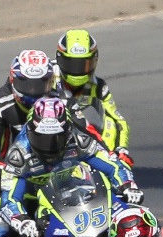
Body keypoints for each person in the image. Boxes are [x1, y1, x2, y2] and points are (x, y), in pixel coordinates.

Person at [0, 96, 143, 237]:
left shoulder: (77, 139)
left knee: (130, 209)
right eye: (42, 138)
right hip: (32, 200)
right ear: (32, 131)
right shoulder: (19, 154)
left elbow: (113, 165)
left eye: (56, 138)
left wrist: (127, 184)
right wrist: (21, 220)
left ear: (67, 130)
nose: (49, 145)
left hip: (71, 187)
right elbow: (10, 199)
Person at [0, 50, 60, 225]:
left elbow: (83, 130)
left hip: (54, 165)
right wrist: (0, 169)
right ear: (14, 80)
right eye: (28, 86)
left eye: (40, 85)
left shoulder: (59, 100)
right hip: (12, 168)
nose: (34, 92)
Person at [55, 29, 133, 166]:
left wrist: (122, 149)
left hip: (84, 138)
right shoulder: (47, 78)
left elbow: (119, 120)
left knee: (109, 122)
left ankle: (109, 160)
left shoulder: (98, 86)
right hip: (49, 135)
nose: (77, 71)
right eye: (71, 64)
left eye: (83, 65)